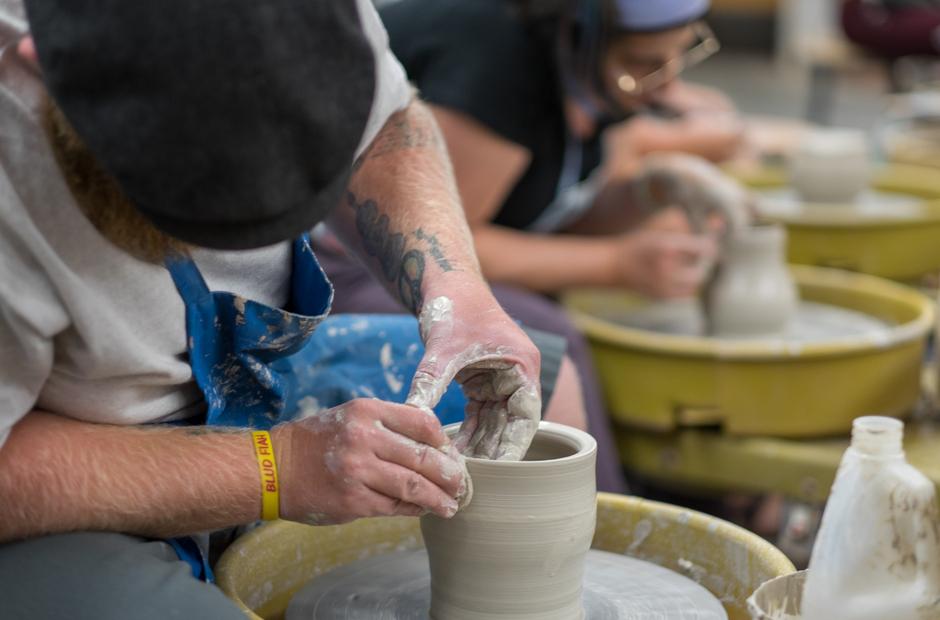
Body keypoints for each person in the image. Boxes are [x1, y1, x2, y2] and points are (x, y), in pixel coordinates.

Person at [0, 0, 586, 617]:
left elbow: (386, 125)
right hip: (70, 464)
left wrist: (456, 294)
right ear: (45, 67)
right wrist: (276, 467)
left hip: (255, 382)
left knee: (541, 390)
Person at [314, 0, 754, 493]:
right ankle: (604, 522)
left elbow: (551, 214)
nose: (668, 88)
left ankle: (663, 495)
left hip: (432, 263)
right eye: (644, 64)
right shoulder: (496, 60)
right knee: (548, 345)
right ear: (580, 30)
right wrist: (617, 265)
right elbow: (452, 247)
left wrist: (649, 194)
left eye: (678, 56)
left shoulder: (593, 78)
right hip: (347, 267)